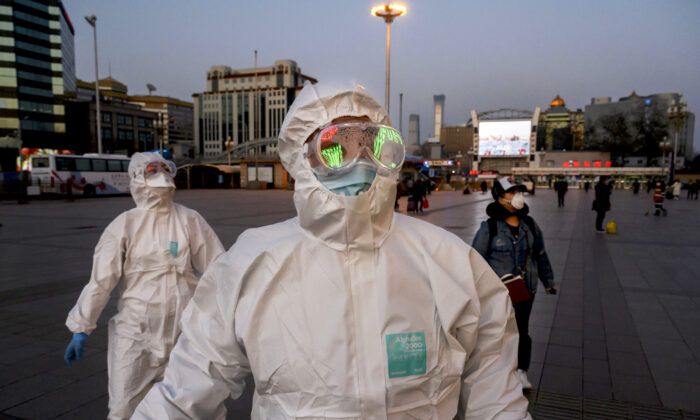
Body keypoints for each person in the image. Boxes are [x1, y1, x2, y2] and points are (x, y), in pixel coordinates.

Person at [133, 83, 530, 419]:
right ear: (300, 160)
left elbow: (496, 391)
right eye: (335, 148)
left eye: (372, 144)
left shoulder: (448, 260)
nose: (359, 160)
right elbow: (185, 390)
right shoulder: (252, 263)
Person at [63, 152, 225, 419]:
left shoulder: (189, 219)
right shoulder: (125, 224)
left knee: (190, 404)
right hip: (136, 332)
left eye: (165, 168)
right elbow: (101, 280)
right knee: (125, 404)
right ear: (137, 176)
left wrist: (228, 317)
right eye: (152, 169)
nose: (160, 174)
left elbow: (218, 268)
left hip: (184, 329)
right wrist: (81, 327)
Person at [471, 177, 557, 391]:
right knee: (497, 330)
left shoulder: (530, 226)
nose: (517, 196)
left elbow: (540, 254)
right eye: (511, 192)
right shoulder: (489, 228)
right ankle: (497, 370)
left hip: (526, 289)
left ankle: (521, 371)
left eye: (519, 191)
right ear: (499, 198)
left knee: (522, 330)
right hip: (498, 292)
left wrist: (549, 281)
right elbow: (475, 259)